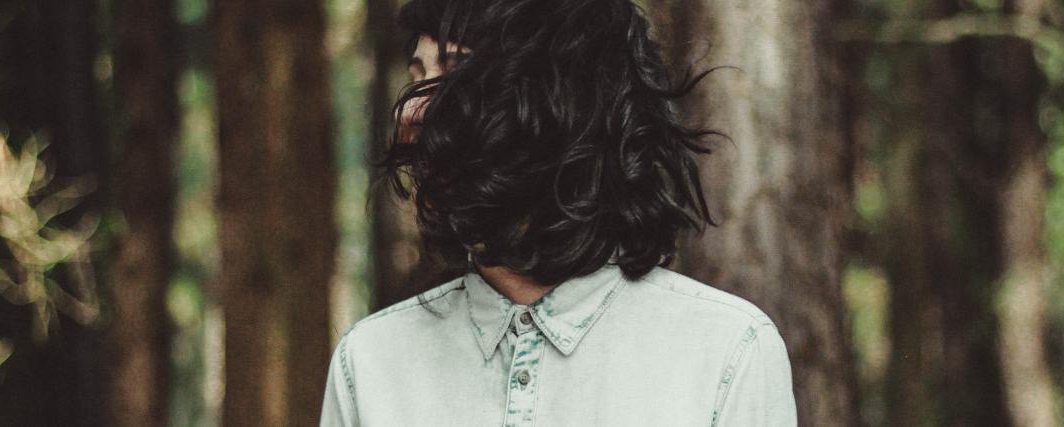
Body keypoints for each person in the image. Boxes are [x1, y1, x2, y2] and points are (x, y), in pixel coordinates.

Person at [321, 0, 797, 425]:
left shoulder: (727, 353)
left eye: (453, 71)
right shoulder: (370, 363)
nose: (410, 112)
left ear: (564, 99)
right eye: (416, 76)